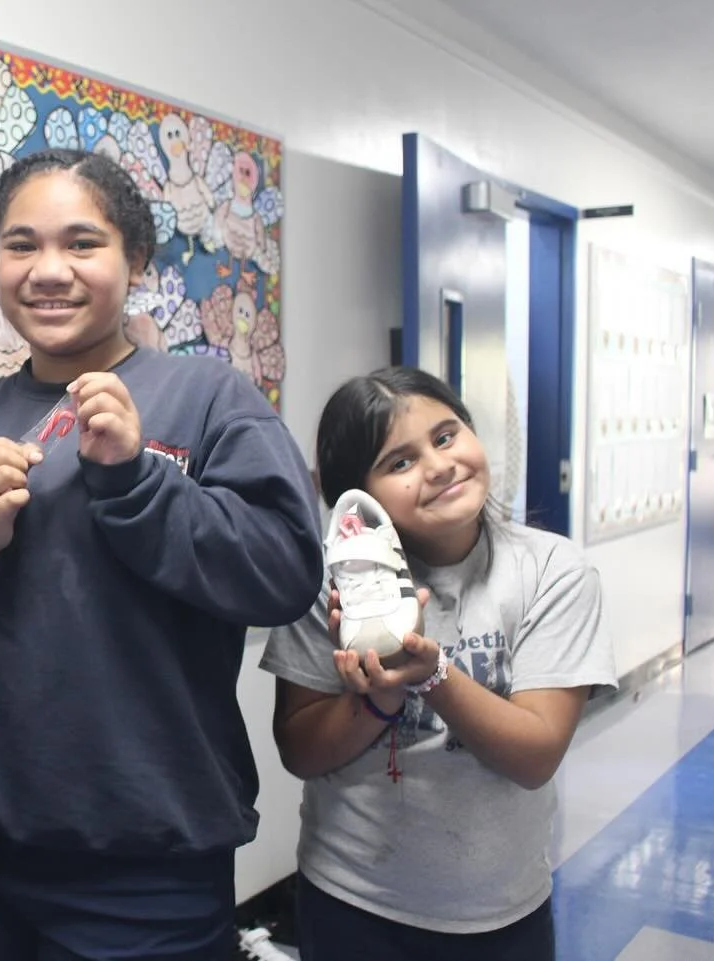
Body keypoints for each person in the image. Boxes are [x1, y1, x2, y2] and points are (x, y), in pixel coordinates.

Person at [0, 148, 324, 961]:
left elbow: (286, 570)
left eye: (82, 243)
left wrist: (140, 482)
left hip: (154, 857)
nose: (49, 270)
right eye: (20, 244)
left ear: (135, 259)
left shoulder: (210, 397)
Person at [262, 366, 618, 961]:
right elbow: (298, 750)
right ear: (359, 494)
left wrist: (429, 675)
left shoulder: (553, 573)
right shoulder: (332, 587)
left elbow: (535, 757)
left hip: (501, 913)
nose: (437, 465)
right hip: (352, 902)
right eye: (399, 462)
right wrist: (379, 699)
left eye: (447, 436)